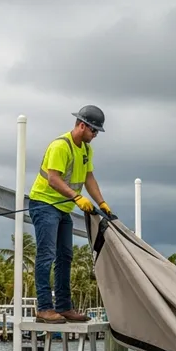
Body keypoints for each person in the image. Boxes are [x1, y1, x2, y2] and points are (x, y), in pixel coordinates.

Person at [28, 105, 113, 324]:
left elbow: (89, 178)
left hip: (63, 208)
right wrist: (76, 198)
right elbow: (53, 179)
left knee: (66, 256)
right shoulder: (60, 146)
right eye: (93, 131)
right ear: (82, 125)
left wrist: (101, 202)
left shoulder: (85, 150)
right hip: (44, 203)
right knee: (47, 254)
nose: (95, 135)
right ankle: (45, 308)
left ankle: (64, 307)